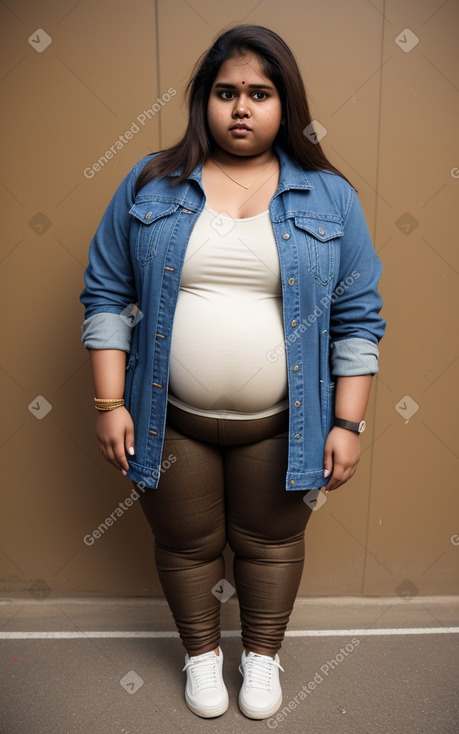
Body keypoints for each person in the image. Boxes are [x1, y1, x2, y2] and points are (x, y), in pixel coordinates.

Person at [80, 25, 385, 720]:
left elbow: (358, 317)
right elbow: (105, 294)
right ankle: (199, 658)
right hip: (168, 417)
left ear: (285, 104)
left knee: (272, 543)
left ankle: (262, 658)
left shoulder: (329, 197)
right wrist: (108, 404)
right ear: (202, 102)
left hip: (285, 423)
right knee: (185, 546)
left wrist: (347, 422)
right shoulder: (152, 181)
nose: (240, 108)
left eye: (259, 93)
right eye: (225, 93)